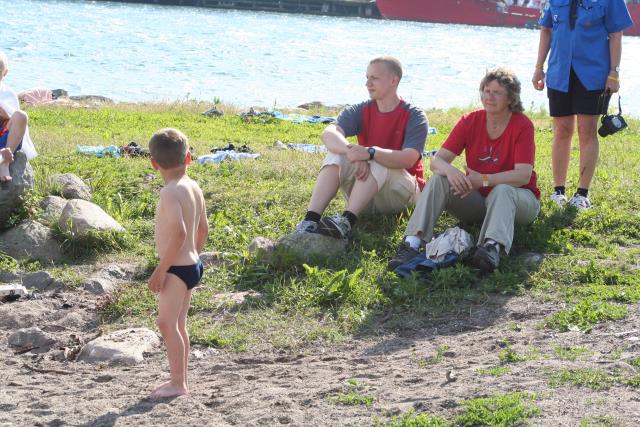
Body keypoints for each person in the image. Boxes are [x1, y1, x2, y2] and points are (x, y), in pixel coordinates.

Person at [389, 68, 540, 272]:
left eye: (497, 92)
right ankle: (412, 243)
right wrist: (451, 171)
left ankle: (491, 248)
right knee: (439, 179)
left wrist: (484, 180)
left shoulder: (522, 125)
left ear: (511, 98)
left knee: (502, 190)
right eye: (486, 90)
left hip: (518, 202)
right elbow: (436, 161)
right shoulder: (470, 120)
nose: (489, 97)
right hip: (478, 200)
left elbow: (522, 175)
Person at [294, 56, 428, 241]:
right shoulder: (361, 109)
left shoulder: (414, 115)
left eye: (374, 78)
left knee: (378, 160)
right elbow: (328, 133)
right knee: (336, 154)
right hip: (365, 193)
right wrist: (352, 152)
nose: (368, 84)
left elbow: (409, 158)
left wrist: (370, 153)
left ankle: (346, 223)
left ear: (393, 80)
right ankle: (310, 220)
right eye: (367, 78)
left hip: (402, 195)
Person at [532, 0, 633, 209]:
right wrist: (538, 67)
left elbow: (616, 34)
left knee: (587, 131)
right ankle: (558, 191)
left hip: (593, 74)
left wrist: (614, 73)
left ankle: (582, 194)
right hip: (559, 72)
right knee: (562, 130)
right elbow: (546, 30)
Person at [147, 128, 209, 399]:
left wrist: (161, 270)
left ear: (154, 163)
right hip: (192, 265)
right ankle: (180, 379)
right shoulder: (194, 187)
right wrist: (194, 255)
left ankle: (178, 383)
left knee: (166, 323)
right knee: (178, 324)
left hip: (177, 269)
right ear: (189, 158)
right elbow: (203, 229)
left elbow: (180, 232)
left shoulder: (169, 192)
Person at [0, 50, 37, 182]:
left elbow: (11, 117)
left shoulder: (8, 93)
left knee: (21, 116)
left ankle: (4, 162)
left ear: (5, 73)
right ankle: (1, 157)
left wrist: (4, 114)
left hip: (4, 139)